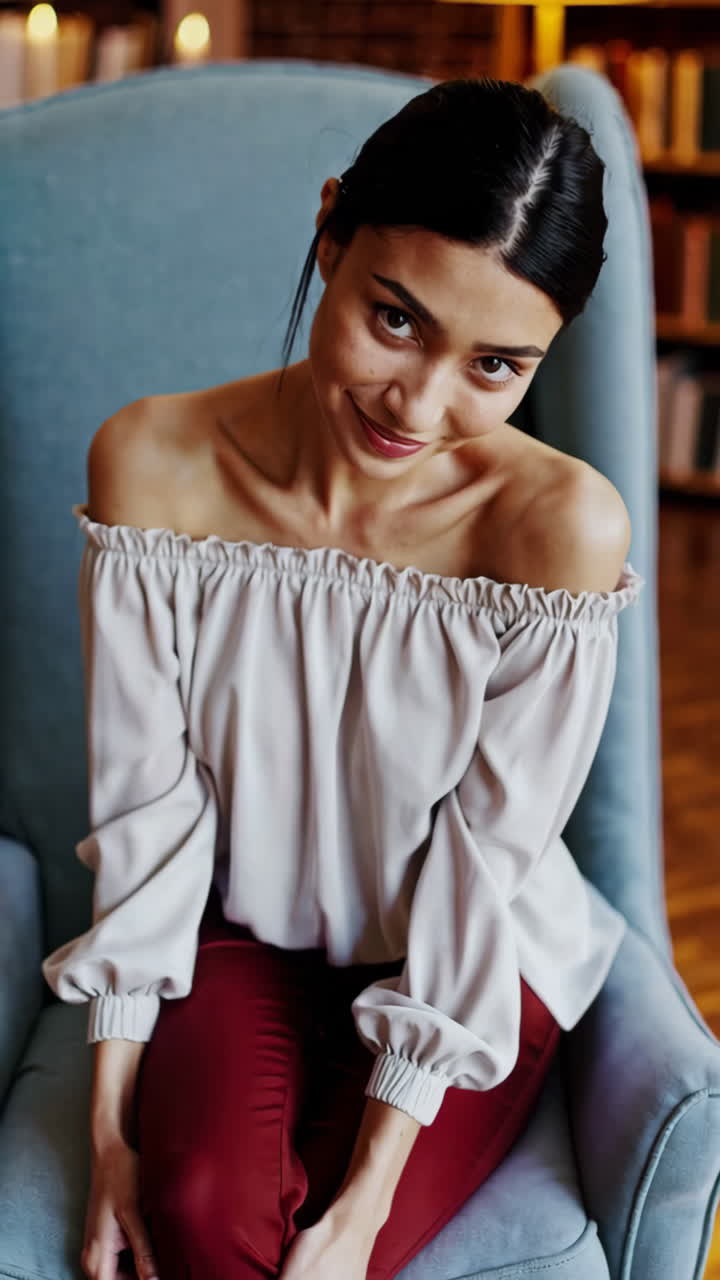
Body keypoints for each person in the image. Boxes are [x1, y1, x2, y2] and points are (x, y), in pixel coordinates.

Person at [42, 75, 645, 1280]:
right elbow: (149, 814)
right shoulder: (155, 467)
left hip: (473, 960)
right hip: (242, 931)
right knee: (202, 1217)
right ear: (330, 232)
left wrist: (365, 1203)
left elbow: (483, 870)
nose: (417, 403)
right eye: (398, 319)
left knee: (320, 1257)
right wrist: (106, 1128)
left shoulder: (560, 530)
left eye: (497, 365)